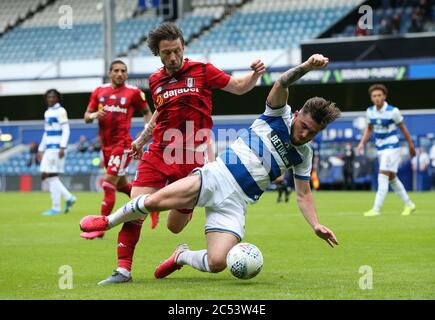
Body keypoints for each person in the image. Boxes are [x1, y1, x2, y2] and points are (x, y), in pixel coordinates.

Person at [80, 53, 340, 280]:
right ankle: (107, 221)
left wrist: (315, 224)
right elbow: (282, 82)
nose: (305, 134)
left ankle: (181, 256)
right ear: (296, 116)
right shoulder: (278, 115)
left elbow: (303, 193)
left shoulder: (304, 154)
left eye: (312, 133)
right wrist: (306, 66)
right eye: (304, 126)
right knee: (153, 202)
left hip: (237, 203)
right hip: (216, 176)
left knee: (218, 262)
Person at [87, 22, 265, 285]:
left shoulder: (203, 71)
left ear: (183, 47)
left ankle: (180, 247)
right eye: (166, 53)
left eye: (177, 51)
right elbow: (160, 113)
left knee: (174, 226)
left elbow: (238, 86)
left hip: (192, 157)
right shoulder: (155, 79)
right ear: (157, 53)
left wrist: (255, 75)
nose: (173, 57)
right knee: (136, 208)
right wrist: (142, 139)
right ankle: (123, 270)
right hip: (159, 151)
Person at [83, 60, 153, 240]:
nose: (120, 73)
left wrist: (147, 131)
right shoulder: (99, 91)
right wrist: (93, 115)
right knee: (122, 186)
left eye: (123, 71)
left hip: (122, 145)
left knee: (107, 184)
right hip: (105, 146)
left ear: (127, 74)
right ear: (110, 72)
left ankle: (100, 227)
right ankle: (152, 205)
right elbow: (86, 117)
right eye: (116, 70)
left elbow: (147, 113)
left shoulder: (133, 92)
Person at [357, 84, 416, 216]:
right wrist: (361, 143)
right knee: (392, 179)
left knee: (382, 176)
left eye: (379, 95)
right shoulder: (370, 111)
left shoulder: (393, 111)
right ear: (371, 98)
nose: (377, 98)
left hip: (392, 147)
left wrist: (411, 145)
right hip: (380, 148)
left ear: (384, 96)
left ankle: (376, 209)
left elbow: (403, 129)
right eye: (374, 96)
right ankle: (409, 204)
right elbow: (369, 129)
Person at [37, 89, 76, 216]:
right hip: (48, 148)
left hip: (56, 148)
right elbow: (46, 133)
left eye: (53, 97)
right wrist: (40, 149)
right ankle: (64, 201)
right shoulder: (47, 112)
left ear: (58, 98)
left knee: (49, 175)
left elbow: (66, 129)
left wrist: (63, 147)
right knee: (49, 176)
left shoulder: (61, 111)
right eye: (49, 97)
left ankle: (61, 203)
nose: (51, 99)